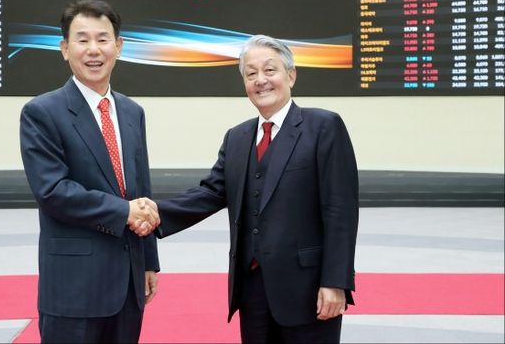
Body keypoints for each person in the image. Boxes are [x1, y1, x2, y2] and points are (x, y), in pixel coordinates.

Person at [149, 34, 359, 343]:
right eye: (251, 73)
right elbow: (210, 193)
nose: (261, 80)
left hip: (308, 288)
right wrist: (153, 213)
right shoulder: (237, 137)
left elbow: (340, 210)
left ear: (291, 75)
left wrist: (335, 282)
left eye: (270, 70)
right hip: (251, 290)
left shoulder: (323, 127)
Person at [20, 0, 160, 344]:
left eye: (103, 39)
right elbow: (53, 192)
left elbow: (141, 190)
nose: (93, 50)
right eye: (82, 40)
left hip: (128, 283)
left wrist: (148, 261)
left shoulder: (132, 112)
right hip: (74, 287)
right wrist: (124, 211)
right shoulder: (42, 112)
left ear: (119, 46)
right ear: (65, 49)